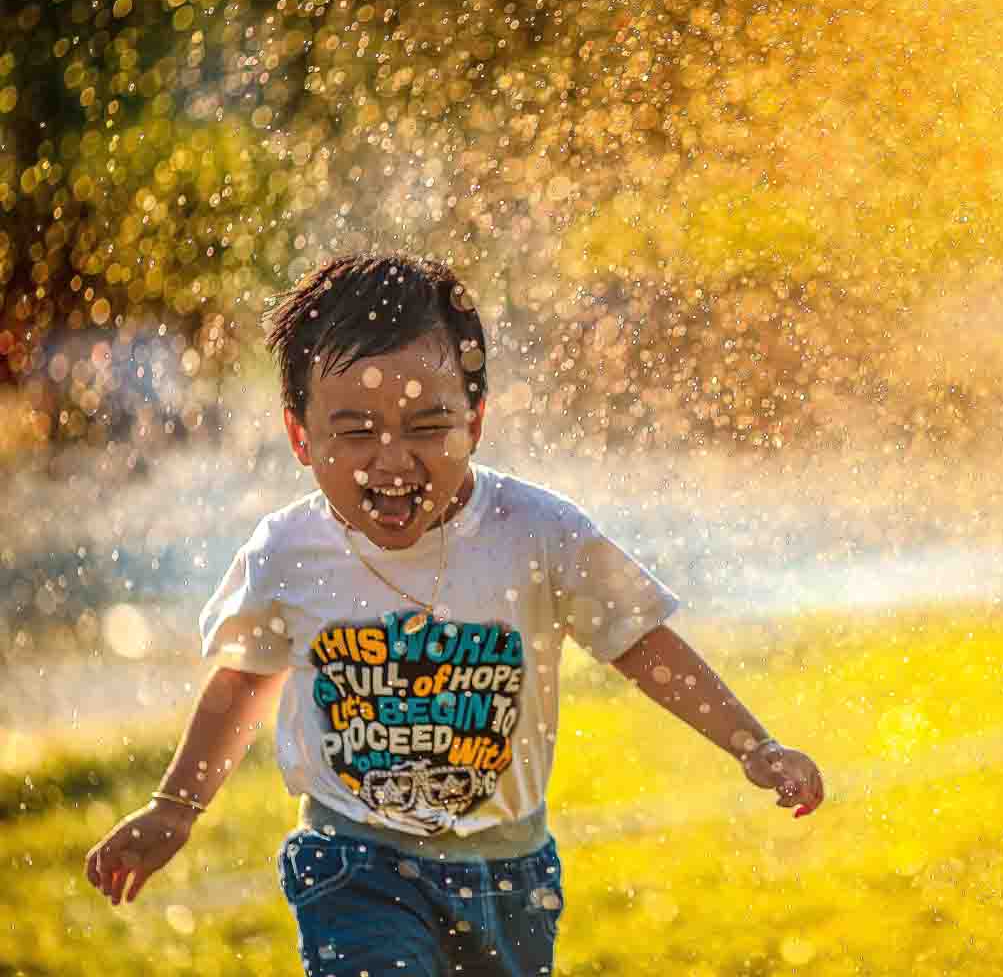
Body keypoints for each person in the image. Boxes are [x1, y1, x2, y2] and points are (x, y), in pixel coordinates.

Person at [84, 252, 824, 976]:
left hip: (509, 871)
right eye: (356, 431)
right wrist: (176, 805)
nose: (393, 460)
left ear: (475, 421)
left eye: (427, 426)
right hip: (353, 859)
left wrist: (751, 744)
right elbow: (244, 681)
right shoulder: (289, 551)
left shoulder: (536, 532)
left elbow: (639, 641)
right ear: (301, 437)